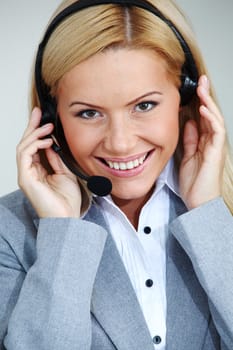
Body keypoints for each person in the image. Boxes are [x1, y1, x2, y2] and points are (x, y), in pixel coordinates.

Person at [0, 0, 233, 349]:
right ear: (52, 118)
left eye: (144, 105)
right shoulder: (8, 230)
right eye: (89, 113)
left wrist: (208, 214)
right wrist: (63, 234)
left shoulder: (222, 216)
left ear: (187, 99)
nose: (121, 143)